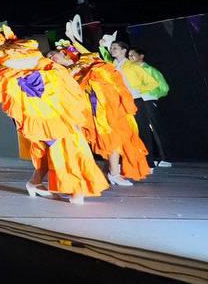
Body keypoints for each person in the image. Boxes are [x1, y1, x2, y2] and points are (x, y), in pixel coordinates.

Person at [0, 26, 108, 203]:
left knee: (53, 142)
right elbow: (0, 81)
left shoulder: (23, 44)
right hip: (29, 101)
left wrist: (36, 73)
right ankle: (75, 187)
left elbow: (41, 61)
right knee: (58, 140)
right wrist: (25, 75)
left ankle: (37, 183)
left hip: (51, 95)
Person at [51, 41, 150, 186]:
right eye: (50, 56)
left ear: (66, 53)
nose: (52, 56)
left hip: (102, 107)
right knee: (77, 142)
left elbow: (92, 62)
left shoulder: (88, 63)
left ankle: (114, 172)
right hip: (80, 111)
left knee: (113, 137)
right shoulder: (59, 72)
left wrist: (73, 41)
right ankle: (75, 175)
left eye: (56, 53)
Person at [117, 42, 172, 167]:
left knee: (153, 129)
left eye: (133, 56)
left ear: (141, 56)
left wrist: (146, 93)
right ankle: (144, 157)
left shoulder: (150, 70)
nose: (130, 58)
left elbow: (163, 87)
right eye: (129, 56)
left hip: (149, 99)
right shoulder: (128, 68)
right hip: (137, 100)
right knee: (140, 129)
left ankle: (163, 157)